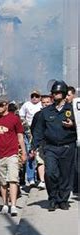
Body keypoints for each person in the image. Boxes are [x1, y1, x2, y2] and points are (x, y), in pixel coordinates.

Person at [32, 81, 77, 211]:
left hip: (68, 146)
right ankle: (52, 198)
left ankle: (62, 199)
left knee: (65, 175)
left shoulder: (72, 110)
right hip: (50, 147)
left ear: (63, 94)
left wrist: (73, 125)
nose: (55, 95)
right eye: (54, 93)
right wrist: (34, 147)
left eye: (58, 92)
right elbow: (39, 130)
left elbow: (79, 126)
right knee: (51, 173)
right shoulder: (45, 112)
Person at [0, 100, 26, 216]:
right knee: (3, 182)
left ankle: (13, 205)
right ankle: (5, 203)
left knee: (13, 179)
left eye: (1, 105)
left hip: (12, 153)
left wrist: (23, 152)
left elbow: (20, 136)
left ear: (6, 105)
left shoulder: (14, 119)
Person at [19, 91, 43, 186]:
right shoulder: (26, 105)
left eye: (36, 96)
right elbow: (21, 116)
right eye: (32, 96)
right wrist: (25, 125)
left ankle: (40, 177)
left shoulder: (42, 104)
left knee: (40, 155)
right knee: (30, 154)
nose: (34, 98)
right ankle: (30, 178)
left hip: (40, 131)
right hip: (29, 132)